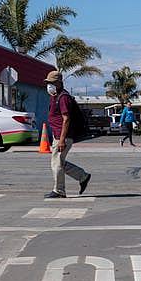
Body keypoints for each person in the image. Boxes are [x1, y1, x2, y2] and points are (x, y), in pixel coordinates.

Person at [44, 70, 91, 199]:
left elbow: (66, 119)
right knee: (59, 162)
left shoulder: (63, 97)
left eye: (52, 83)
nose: (49, 85)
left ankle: (59, 191)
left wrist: (62, 140)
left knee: (56, 163)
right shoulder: (55, 96)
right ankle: (83, 176)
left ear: (59, 83)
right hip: (57, 135)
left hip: (62, 136)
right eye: (48, 83)